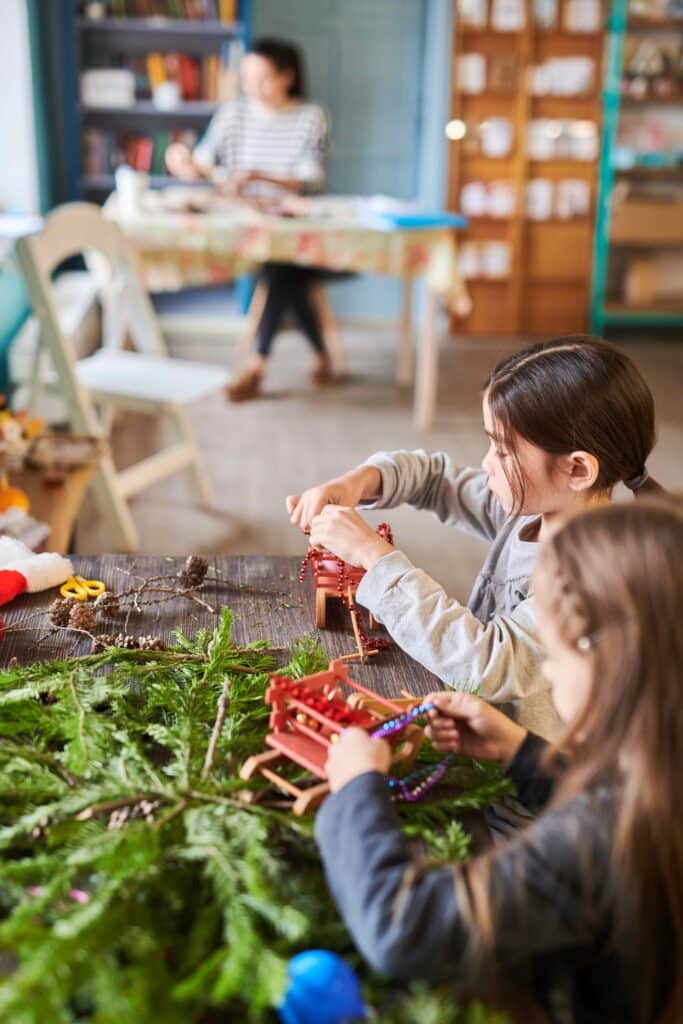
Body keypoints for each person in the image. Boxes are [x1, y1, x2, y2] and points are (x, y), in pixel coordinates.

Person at [316, 500, 683, 1024]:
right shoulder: (660, 767)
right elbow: (613, 793)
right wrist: (523, 755)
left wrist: (356, 787)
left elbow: (402, 926)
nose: (551, 678)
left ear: (609, 666)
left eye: (555, 657)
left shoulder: (597, 842)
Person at [287, 336, 663, 741]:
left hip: (528, 787)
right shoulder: (531, 512)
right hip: (481, 742)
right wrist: (359, 480)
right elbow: (434, 479)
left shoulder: (591, 581)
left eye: (503, 451)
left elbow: (487, 664)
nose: (486, 463)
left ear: (576, 470)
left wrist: (374, 557)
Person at [166, 38, 331, 401]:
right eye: (247, 78)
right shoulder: (233, 113)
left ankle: (258, 364)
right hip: (239, 225)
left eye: (263, 78)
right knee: (287, 273)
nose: (252, 87)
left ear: (288, 77)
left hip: (289, 226)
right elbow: (205, 161)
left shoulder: (310, 117)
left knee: (281, 267)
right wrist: (184, 161)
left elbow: (311, 178)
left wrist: (259, 176)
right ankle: (321, 354)